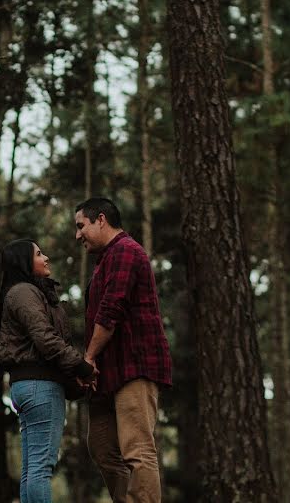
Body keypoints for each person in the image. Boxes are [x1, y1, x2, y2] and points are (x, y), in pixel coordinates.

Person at [74, 197, 172, 503]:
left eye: (81, 226)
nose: (78, 235)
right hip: (107, 375)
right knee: (102, 447)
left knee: (137, 449)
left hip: (134, 367)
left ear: (100, 219)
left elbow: (110, 311)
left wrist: (87, 358)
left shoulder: (126, 251)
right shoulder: (105, 260)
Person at [0, 238, 97, 503]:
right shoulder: (24, 292)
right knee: (42, 466)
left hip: (27, 386)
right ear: (24, 262)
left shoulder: (24, 292)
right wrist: (82, 365)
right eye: (39, 254)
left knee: (32, 468)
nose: (46, 257)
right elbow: (46, 339)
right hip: (39, 386)